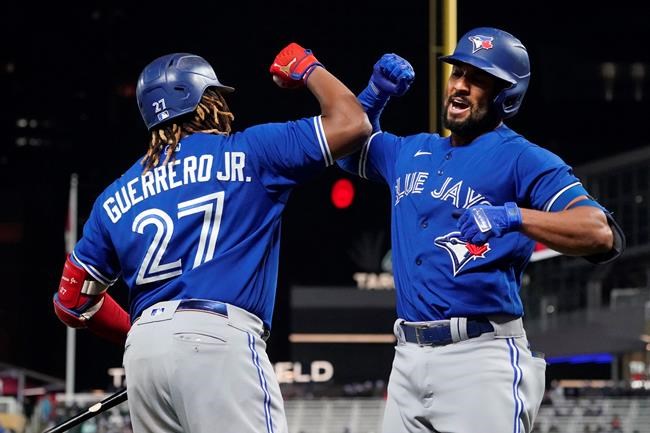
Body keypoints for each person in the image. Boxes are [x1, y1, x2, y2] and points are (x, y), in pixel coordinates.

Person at [52, 43, 371, 433]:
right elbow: (353, 123)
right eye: (216, 95)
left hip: (144, 354)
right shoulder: (252, 151)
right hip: (217, 338)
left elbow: (71, 304)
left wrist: (142, 335)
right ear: (204, 100)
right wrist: (307, 66)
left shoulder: (114, 196)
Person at [338, 27, 625, 433]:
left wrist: (514, 216)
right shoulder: (412, 149)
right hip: (406, 359)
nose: (459, 86)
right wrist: (374, 95)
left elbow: (601, 233)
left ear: (506, 96)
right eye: (457, 74)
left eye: (477, 80)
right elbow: (348, 153)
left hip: (478, 358)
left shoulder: (523, 158)